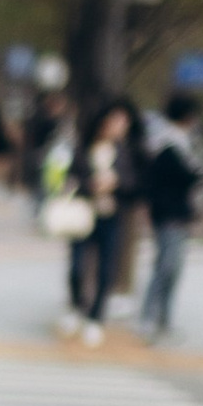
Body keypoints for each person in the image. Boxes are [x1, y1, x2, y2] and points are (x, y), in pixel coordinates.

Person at [65, 99, 134, 340]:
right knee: (76, 266)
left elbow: (133, 182)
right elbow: (71, 177)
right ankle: (77, 307)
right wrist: (90, 184)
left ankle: (96, 317)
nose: (121, 126)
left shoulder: (124, 151)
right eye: (117, 121)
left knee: (106, 269)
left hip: (110, 215)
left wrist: (116, 183)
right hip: (83, 214)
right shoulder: (84, 147)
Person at [137, 104, 202, 337]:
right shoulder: (170, 147)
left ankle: (162, 318)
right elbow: (188, 177)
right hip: (169, 215)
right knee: (166, 267)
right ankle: (151, 317)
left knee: (171, 268)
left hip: (174, 215)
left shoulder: (173, 145)